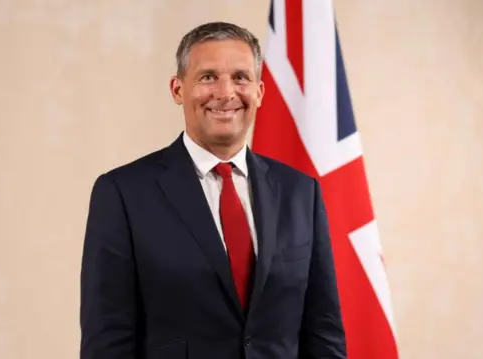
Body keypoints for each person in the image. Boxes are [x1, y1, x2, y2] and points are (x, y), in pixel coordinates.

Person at [79, 21, 346, 359]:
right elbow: (107, 341)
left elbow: (323, 334)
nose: (225, 93)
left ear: (259, 92)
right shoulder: (122, 193)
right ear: (178, 90)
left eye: (240, 77)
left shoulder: (301, 193)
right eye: (208, 77)